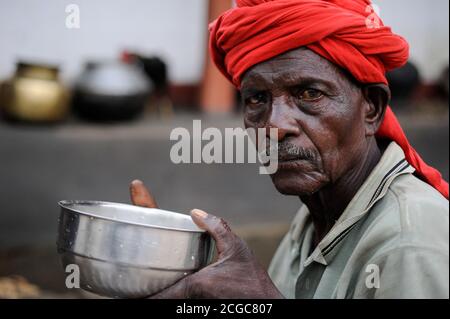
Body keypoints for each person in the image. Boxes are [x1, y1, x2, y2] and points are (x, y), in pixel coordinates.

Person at [130, 0, 449, 298]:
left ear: (372, 108)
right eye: (256, 99)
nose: (275, 126)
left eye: (309, 93)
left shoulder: (408, 245)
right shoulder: (318, 214)